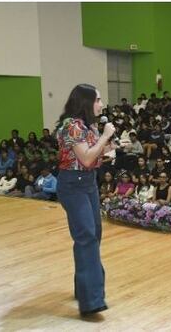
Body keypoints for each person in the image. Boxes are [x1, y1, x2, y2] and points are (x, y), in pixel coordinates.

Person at [54, 84, 115, 317]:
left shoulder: (89, 126)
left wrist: (109, 147)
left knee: (93, 235)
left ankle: (84, 288)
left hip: (89, 183)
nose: (101, 104)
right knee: (87, 236)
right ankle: (92, 301)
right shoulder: (71, 125)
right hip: (73, 185)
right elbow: (87, 158)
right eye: (98, 99)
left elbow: (94, 155)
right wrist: (106, 136)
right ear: (86, 102)